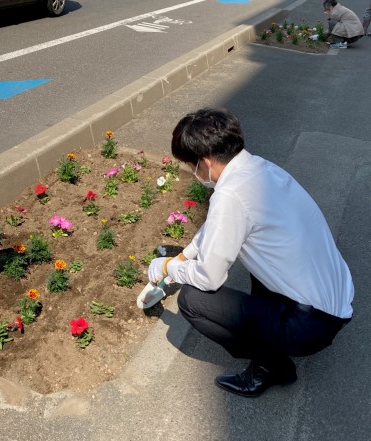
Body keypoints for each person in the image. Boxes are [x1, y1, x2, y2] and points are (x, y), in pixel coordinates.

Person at [148, 108, 354, 398]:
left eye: (191, 166)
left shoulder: (229, 195)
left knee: (192, 300)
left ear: (205, 162)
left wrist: (168, 267)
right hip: (339, 299)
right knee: (257, 255)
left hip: (311, 326)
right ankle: (275, 333)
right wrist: (183, 257)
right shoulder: (259, 168)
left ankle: (272, 367)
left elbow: (209, 279)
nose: (193, 173)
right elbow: (214, 226)